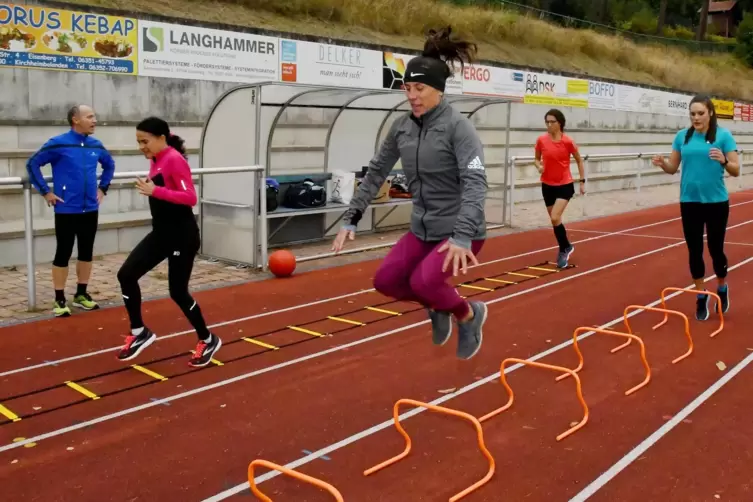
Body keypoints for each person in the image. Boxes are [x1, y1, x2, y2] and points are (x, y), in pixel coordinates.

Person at [331, 26, 488, 360]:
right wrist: (351, 219)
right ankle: (438, 306)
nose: (412, 96)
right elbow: (376, 172)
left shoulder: (460, 129)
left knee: (424, 282)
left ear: (439, 90)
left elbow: (476, 183)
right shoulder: (401, 127)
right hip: (423, 229)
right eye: (407, 88)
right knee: (386, 281)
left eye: (420, 88)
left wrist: (461, 237)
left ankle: (468, 315)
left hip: (462, 231)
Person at [115, 117, 221, 368]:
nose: (142, 146)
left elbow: (190, 197)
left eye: (145, 141)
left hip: (182, 236)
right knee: (126, 274)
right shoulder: (156, 158)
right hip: (161, 234)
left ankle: (207, 339)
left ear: (161, 138)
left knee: (177, 292)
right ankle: (140, 331)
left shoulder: (173, 159)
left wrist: (155, 191)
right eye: (138, 142)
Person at [652, 94, 739, 321]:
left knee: (715, 250)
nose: (696, 117)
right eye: (692, 114)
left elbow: (736, 170)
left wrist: (723, 160)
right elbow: (673, 168)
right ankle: (701, 295)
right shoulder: (682, 137)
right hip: (689, 201)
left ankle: (721, 286)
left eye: (700, 113)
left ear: (710, 112)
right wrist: (663, 164)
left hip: (716, 202)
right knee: (694, 250)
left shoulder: (724, 136)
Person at [26, 104, 115, 317]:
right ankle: (59, 299)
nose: (95, 121)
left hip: (90, 208)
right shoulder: (58, 143)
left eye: (95, 116)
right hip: (66, 208)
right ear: (75, 119)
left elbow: (109, 165)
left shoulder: (96, 144)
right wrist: (46, 192)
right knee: (63, 253)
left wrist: (103, 188)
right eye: (90, 117)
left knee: (86, 252)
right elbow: (32, 164)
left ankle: (81, 295)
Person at [534, 108, 585, 268]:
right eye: (547, 122)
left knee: (555, 217)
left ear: (560, 123)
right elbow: (536, 159)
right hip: (547, 185)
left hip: (564, 184)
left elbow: (579, 160)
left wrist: (582, 181)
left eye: (552, 122)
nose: (549, 125)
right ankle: (566, 247)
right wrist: (539, 166)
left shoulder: (568, 141)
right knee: (555, 221)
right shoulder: (541, 140)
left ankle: (564, 249)